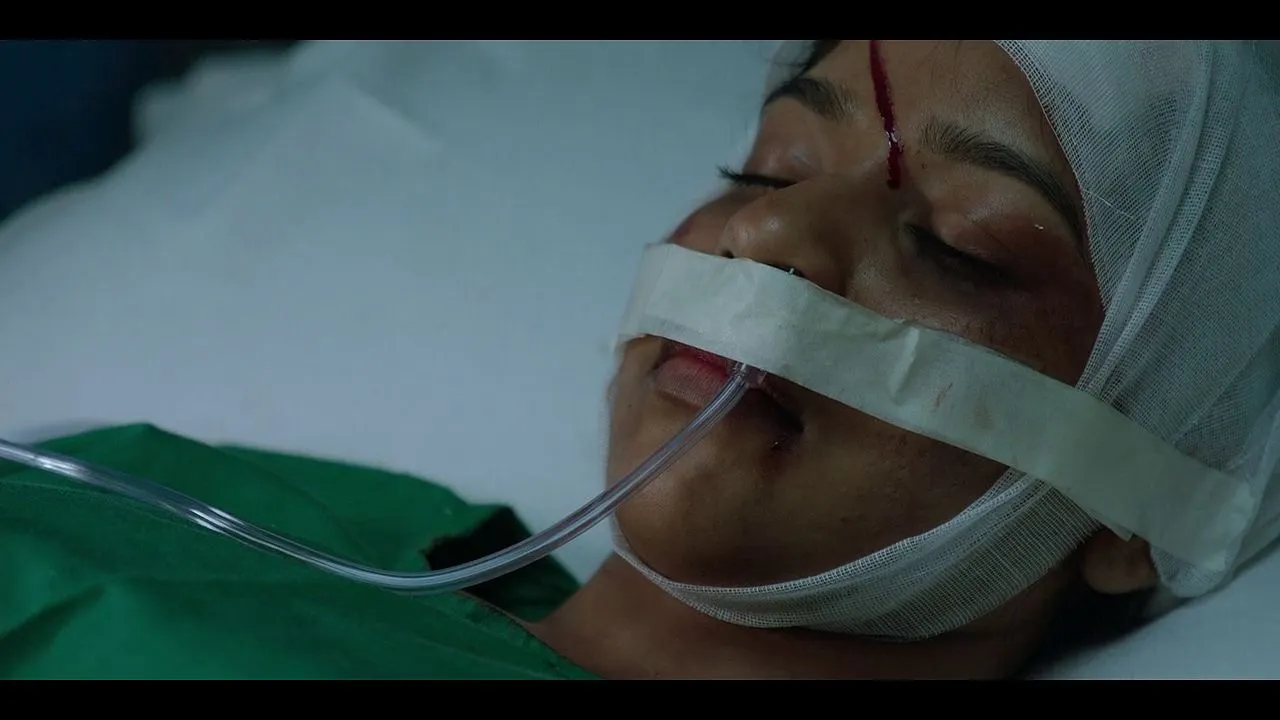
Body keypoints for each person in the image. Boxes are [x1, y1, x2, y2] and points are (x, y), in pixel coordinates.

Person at [0, 39, 1276, 680]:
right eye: (766, 169)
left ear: (1142, 508)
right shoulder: (307, 520)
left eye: (959, 244)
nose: (764, 236)